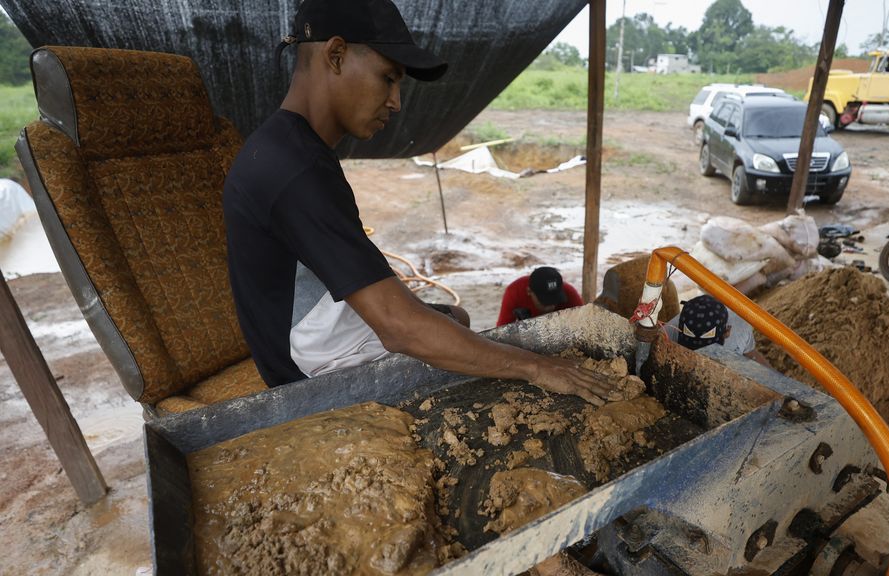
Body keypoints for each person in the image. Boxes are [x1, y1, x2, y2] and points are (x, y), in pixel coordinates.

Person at [222, 0, 615, 405]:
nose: (395, 101)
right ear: (335, 55)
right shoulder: (295, 170)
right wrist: (537, 366)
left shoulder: (291, 147)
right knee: (506, 387)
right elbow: (398, 327)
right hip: (312, 374)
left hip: (324, 332)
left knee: (455, 319)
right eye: (388, 77)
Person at [664, 295, 769, 365]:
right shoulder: (666, 336)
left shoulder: (740, 329)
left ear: (727, 331)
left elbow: (751, 355)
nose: (699, 357)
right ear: (678, 328)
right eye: (691, 349)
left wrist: (778, 386)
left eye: (708, 351)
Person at [496, 267, 584, 327]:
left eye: (554, 301)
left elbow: (583, 326)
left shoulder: (570, 294)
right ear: (529, 291)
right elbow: (501, 331)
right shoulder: (514, 292)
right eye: (545, 302)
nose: (550, 307)